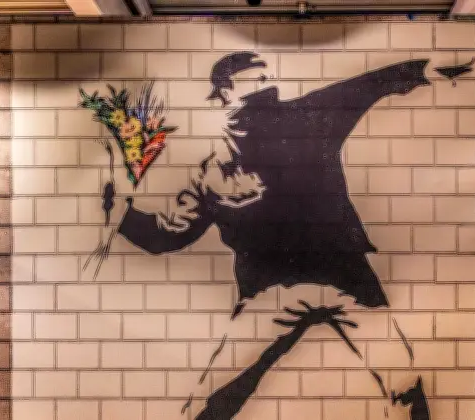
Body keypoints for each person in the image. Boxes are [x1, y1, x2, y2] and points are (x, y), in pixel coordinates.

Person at [104, 52, 453, 419]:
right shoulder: (220, 163)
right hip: (286, 286)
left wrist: (420, 71)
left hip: (334, 279)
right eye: (254, 78)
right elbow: (169, 234)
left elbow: (362, 89)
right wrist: (121, 215)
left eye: (265, 77)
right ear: (224, 92)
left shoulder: (303, 119)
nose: (264, 83)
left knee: (401, 379)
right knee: (221, 391)